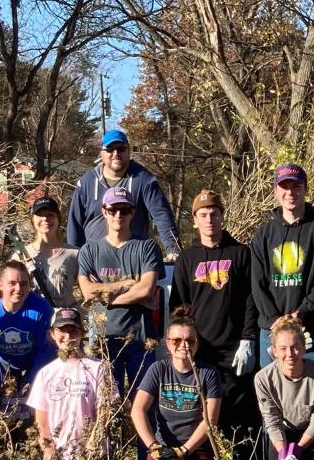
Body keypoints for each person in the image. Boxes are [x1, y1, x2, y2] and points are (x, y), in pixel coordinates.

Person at [172, 188, 258, 437]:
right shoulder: (187, 259)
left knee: (237, 412)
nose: (209, 219)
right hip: (201, 347)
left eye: (214, 213)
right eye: (203, 214)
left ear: (222, 216)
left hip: (234, 348)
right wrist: (182, 342)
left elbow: (251, 299)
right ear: (195, 220)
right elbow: (178, 306)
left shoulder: (241, 253)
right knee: (202, 409)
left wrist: (248, 338)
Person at [249, 163, 314, 370]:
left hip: (312, 331)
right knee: (273, 395)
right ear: (275, 191)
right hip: (272, 331)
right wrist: (275, 319)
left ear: (305, 189)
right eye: (284, 187)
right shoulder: (263, 235)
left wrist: (302, 313)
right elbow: (257, 282)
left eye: (296, 186)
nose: (290, 192)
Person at [131, 308, 224, 460]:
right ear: (167, 342)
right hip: (163, 447)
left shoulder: (208, 374)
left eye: (190, 341)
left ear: (197, 343)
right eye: (177, 341)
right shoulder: (158, 369)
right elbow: (138, 409)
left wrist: (185, 450)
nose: (183, 345)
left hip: (196, 448)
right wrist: (153, 445)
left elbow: (210, 421)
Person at [79, 185, 164, 393]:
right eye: (113, 209)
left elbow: (145, 290)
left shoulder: (146, 246)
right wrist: (125, 285)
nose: (119, 215)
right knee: (107, 404)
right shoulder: (90, 250)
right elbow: (88, 293)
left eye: (125, 210)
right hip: (102, 338)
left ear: (133, 212)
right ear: (104, 212)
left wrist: (104, 296)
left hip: (142, 339)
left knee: (144, 403)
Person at [65, 127, 180, 255]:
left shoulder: (144, 179)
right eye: (110, 149)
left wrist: (173, 250)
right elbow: (74, 224)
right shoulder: (86, 183)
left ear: (129, 150)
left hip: (134, 259)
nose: (116, 153)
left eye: (120, 148)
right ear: (102, 153)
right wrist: (74, 257)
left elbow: (162, 216)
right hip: (95, 262)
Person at [254, 315, 314, 460]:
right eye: (283, 348)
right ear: (274, 351)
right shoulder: (263, 379)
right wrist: (283, 452)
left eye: (295, 347)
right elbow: (271, 420)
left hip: (309, 432)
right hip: (281, 431)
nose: (290, 354)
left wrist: (297, 451)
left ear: (304, 349)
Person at [29, 307, 110, 460]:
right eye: (62, 331)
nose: (68, 336)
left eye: (73, 331)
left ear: (82, 334)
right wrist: (52, 456)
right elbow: (41, 424)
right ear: (52, 334)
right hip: (56, 457)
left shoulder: (99, 368)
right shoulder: (45, 374)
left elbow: (105, 412)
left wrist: (91, 448)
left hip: (91, 455)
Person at [0, 259, 55, 406]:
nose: (18, 289)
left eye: (24, 284)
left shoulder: (41, 308)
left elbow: (45, 350)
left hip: (31, 363)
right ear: (0, 285)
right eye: (12, 283)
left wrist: (30, 379)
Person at [22, 195, 81, 310]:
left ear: (58, 219)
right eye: (40, 215)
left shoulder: (74, 254)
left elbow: (88, 290)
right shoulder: (22, 255)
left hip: (64, 324)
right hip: (34, 321)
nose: (45, 219)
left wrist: (77, 312)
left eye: (50, 215)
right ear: (32, 220)